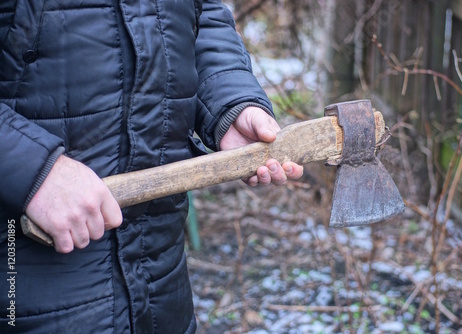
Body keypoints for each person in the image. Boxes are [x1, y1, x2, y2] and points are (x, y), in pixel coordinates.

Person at [0, 1, 303, 333]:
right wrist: (30, 168)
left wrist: (229, 102)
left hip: (160, 275)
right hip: (22, 278)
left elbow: (200, 18)